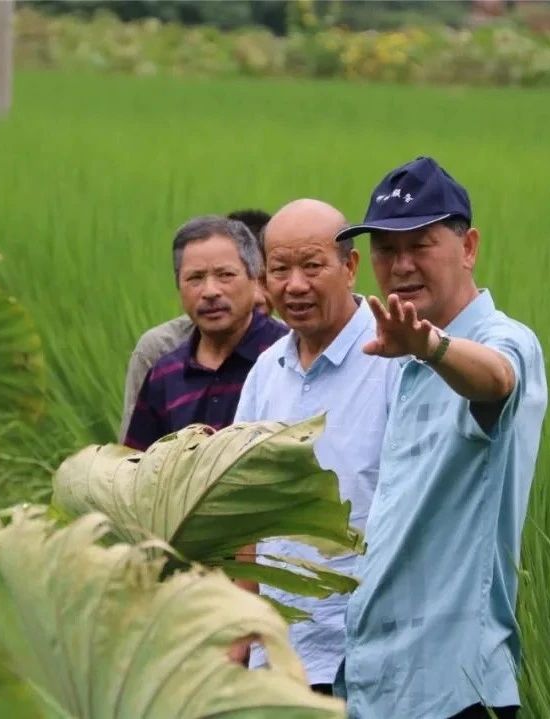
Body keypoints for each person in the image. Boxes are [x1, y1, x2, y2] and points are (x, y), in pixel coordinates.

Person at [335, 157, 547, 718]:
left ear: (468, 247)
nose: (400, 265)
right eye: (385, 249)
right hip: (379, 682)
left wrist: (433, 348)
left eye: (420, 245)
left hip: (453, 689)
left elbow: (497, 379)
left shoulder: (500, 341)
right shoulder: (404, 358)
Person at [233, 198, 399, 694]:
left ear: (349, 267)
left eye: (312, 265)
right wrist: (243, 629)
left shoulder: (394, 358)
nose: (295, 285)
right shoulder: (267, 371)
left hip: (368, 653)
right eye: (280, 269)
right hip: (279, 654)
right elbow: (243, 504)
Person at [123, 215, 286, 450]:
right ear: (178, 285)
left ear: (255, 279)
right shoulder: (165, 373)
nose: (210, 291)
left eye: (225, 275)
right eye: (195, 278)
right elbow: (136, 468)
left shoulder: (288, 355)